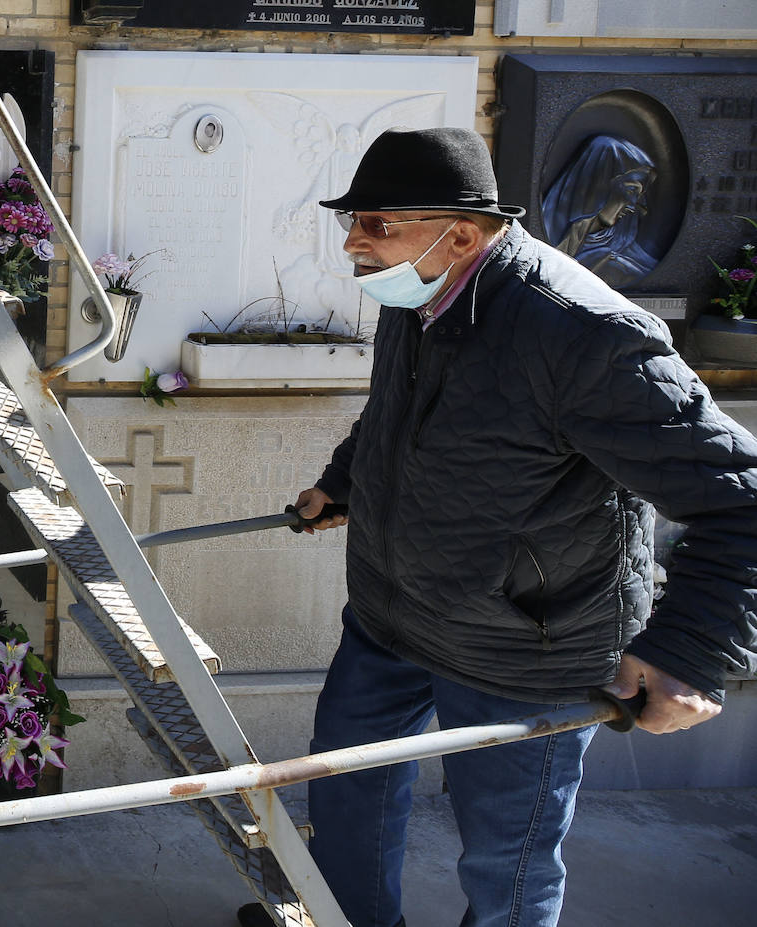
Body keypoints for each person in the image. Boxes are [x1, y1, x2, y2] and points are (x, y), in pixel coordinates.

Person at [244, 127, 757, 927]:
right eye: (352, 220)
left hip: (525, 649)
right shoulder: (415, 289)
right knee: (346, 791)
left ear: (461, 232)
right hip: (391, 613)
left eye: (375, 222)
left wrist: (686, 651)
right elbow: (399, 415)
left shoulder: (586, 336)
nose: (352, 241)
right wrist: (345, 483)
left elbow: (741, 499)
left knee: (504, 861)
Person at [540, 135, 660, 288]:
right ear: (598, 186)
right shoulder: (549, 242)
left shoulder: (628, 265)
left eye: (641, 195)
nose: (636, 206)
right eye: (631, 190)